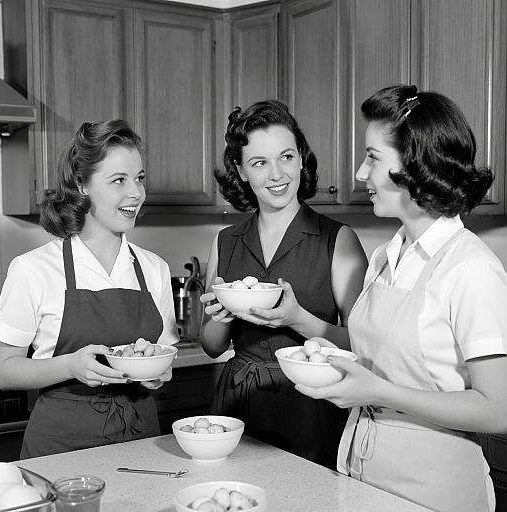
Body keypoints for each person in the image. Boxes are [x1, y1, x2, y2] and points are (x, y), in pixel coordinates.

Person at [296, 85, 507, 511]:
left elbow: (499, 410)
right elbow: (381, 354)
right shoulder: (384, 256)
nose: (360, 173)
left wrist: (379, 392)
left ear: (415, 164)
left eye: (373, 157)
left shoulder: (471, 269)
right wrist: (329, 356)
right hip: (362, 474)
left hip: (435, 491)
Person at [0, 119, 178, 458]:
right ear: (82, 184)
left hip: (142, 441)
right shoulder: (34, 269)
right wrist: (71, 366)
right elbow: (3, 370)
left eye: (139, 178)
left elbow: (162, 355)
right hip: (61, 450)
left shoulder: (154, 269)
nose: (135, 193)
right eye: (118, 180)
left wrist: (158, 373)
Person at [199, 99, 368, 468]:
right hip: (237, 402)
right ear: (242, 172)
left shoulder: (336, 240)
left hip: (311, 406)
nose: (277, 174)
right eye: (259, 163)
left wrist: (296, 319)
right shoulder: (225, 241)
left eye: (286, 157)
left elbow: (363, 343)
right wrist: (221, 317)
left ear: (301, 159)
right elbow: (212, 346)